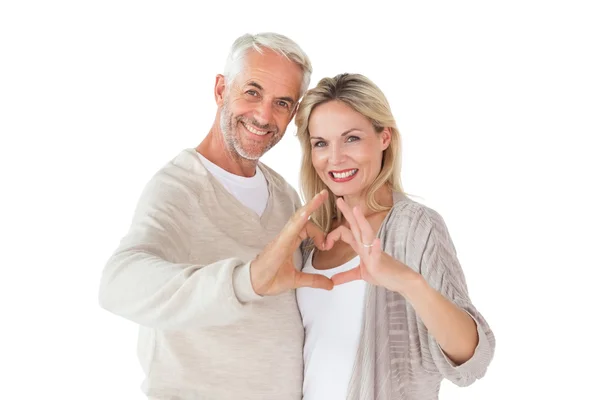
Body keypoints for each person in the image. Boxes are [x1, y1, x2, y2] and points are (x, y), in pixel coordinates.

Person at [98, 32, 335, 400]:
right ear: (221, 89)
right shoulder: (178, 187)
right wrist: (245, 281)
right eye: (252, 92)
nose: (263, 115)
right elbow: (117, 283)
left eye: (282, 103)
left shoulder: (286, 196)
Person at [295, 73, 496, 400]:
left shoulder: (414, 226)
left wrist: (408, 282)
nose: (335, 158)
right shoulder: (310, 240)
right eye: (321, 143)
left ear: (384, 137)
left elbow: (472, 360)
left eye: (352, 138)